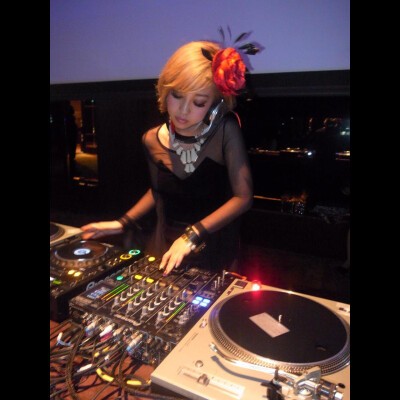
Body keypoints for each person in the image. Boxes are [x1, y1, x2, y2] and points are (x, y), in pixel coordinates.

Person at [81, 37, 259, 276]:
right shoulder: (151, 139)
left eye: (198, 102)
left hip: (214, 243)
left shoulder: (225, 131)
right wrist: (122, 223)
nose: (183, 110)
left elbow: (243, 197)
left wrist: (192, 235)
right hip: (168, 243)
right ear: (165, 89)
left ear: (215, 104)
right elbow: (159, 190)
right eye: (177, 95)